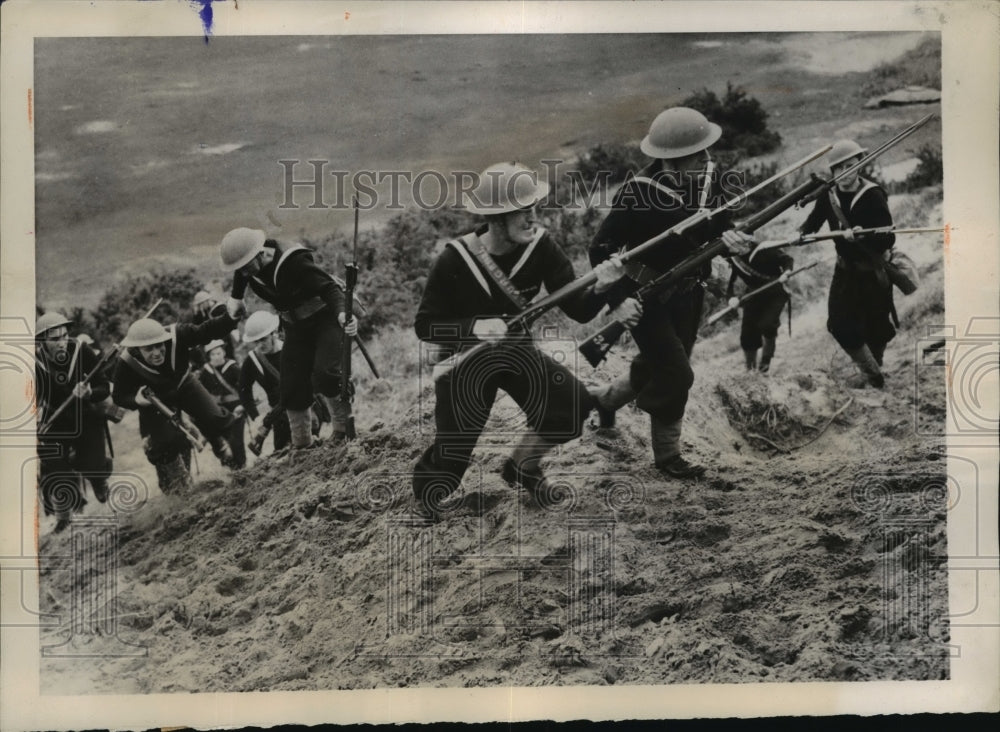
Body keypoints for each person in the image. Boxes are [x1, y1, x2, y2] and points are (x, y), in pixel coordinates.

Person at [412, 161, 634, 519]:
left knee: (571, 405)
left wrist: (605, 286)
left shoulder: (542, 246)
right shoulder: (455, 258)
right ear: (496, 219)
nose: (533, 220)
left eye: (534, 210)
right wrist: (474, 327)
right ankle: (427, 497)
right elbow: (425, 325)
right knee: (454, 452)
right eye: (522, 214)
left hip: (516, 350)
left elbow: (578, 309)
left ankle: (522, 467)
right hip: (466, 360)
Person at [588, 106, 753, 478]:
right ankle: (668, 458)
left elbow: (719, 230)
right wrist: (618, 300)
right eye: (699, 155)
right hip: (644, 298)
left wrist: (732, 240)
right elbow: (600, 250)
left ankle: (604, 400)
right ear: (673, 161)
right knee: (677, 374)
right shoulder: (637, 193)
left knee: (656, 366)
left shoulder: (712, 182)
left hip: (690, 294)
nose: (709, 159)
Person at [219, 228, 359, 448]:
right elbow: (241, 273)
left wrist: (343, 313)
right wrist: (236, 297)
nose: (244, 274)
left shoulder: (293, 262)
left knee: (325, 373)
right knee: (291, 385)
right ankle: (302, 444)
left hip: (325, 319)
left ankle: (342, 430)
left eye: (246, 268)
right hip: (295, 326)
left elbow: (330, 288)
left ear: (260, 254)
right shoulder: (248, 267)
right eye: (240, 270)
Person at [799, 139, 895, 388]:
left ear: (860, 165)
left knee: (877, 326)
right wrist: (802, 234)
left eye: (850, 166)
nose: (844, 174)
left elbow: (888, 236)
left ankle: (876, 370)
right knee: (839, 325)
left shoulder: (873, 195)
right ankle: (872, 373)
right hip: (844, 272)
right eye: (838, 169)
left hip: (873, 273)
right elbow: (813, 222)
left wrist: (865, 235)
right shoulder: (829, 196)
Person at [111, 314, 238, 494]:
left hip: (184, 384)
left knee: (215, 418)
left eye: (159, 345)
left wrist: (230, 318)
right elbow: (119, 396)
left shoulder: (178, 334)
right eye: (149, 349)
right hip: (154, 400)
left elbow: (205, 331)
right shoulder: (125, 362)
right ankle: (177, 483)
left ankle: (220, 446)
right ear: (137, 350)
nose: (156, 353)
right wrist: (137, 400)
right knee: (165, 443)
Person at [35, 312, 114, 532]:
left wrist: (89, 392)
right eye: (54, 339)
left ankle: (98, 479)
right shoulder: (34, 364)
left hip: (86, 417)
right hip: (54, 422)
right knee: (54, 466)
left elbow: (104, 386)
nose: (61, 342)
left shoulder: (82, 351)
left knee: (92, 465)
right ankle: (65, 515)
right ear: (42, 341)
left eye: (63, 336)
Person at [725, 247, 795, 373]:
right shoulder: (733, 259)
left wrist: (786, 272)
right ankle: (750, 370)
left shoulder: (763, 248)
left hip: (776, 291)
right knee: (748, 334)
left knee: (767, 325)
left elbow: (787, 259)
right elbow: (728, 282)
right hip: (753, 294)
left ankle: (765, 362)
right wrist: (731, 298)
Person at [239, 310, 292, 453]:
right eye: (256, 341)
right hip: (279, 418)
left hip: (302, 409)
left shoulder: (291, 349)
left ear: (273, 333)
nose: (260, 344)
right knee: (281, 453)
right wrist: (257, 417)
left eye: (263, 339)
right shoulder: (253, 360)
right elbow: (244, 390)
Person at [197, 339, 247, 469]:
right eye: (212, 354)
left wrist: (243, 404)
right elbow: (200, 392)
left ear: (224, 352)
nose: (216, 357)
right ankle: (231, 469)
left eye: (218, 353)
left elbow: (245, 388)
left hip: (236, 409)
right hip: (218, 412)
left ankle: (242, 468)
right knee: (222, 444)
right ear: (208, 356)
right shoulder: (205, 372)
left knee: (236, 441)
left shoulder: (233, 367)